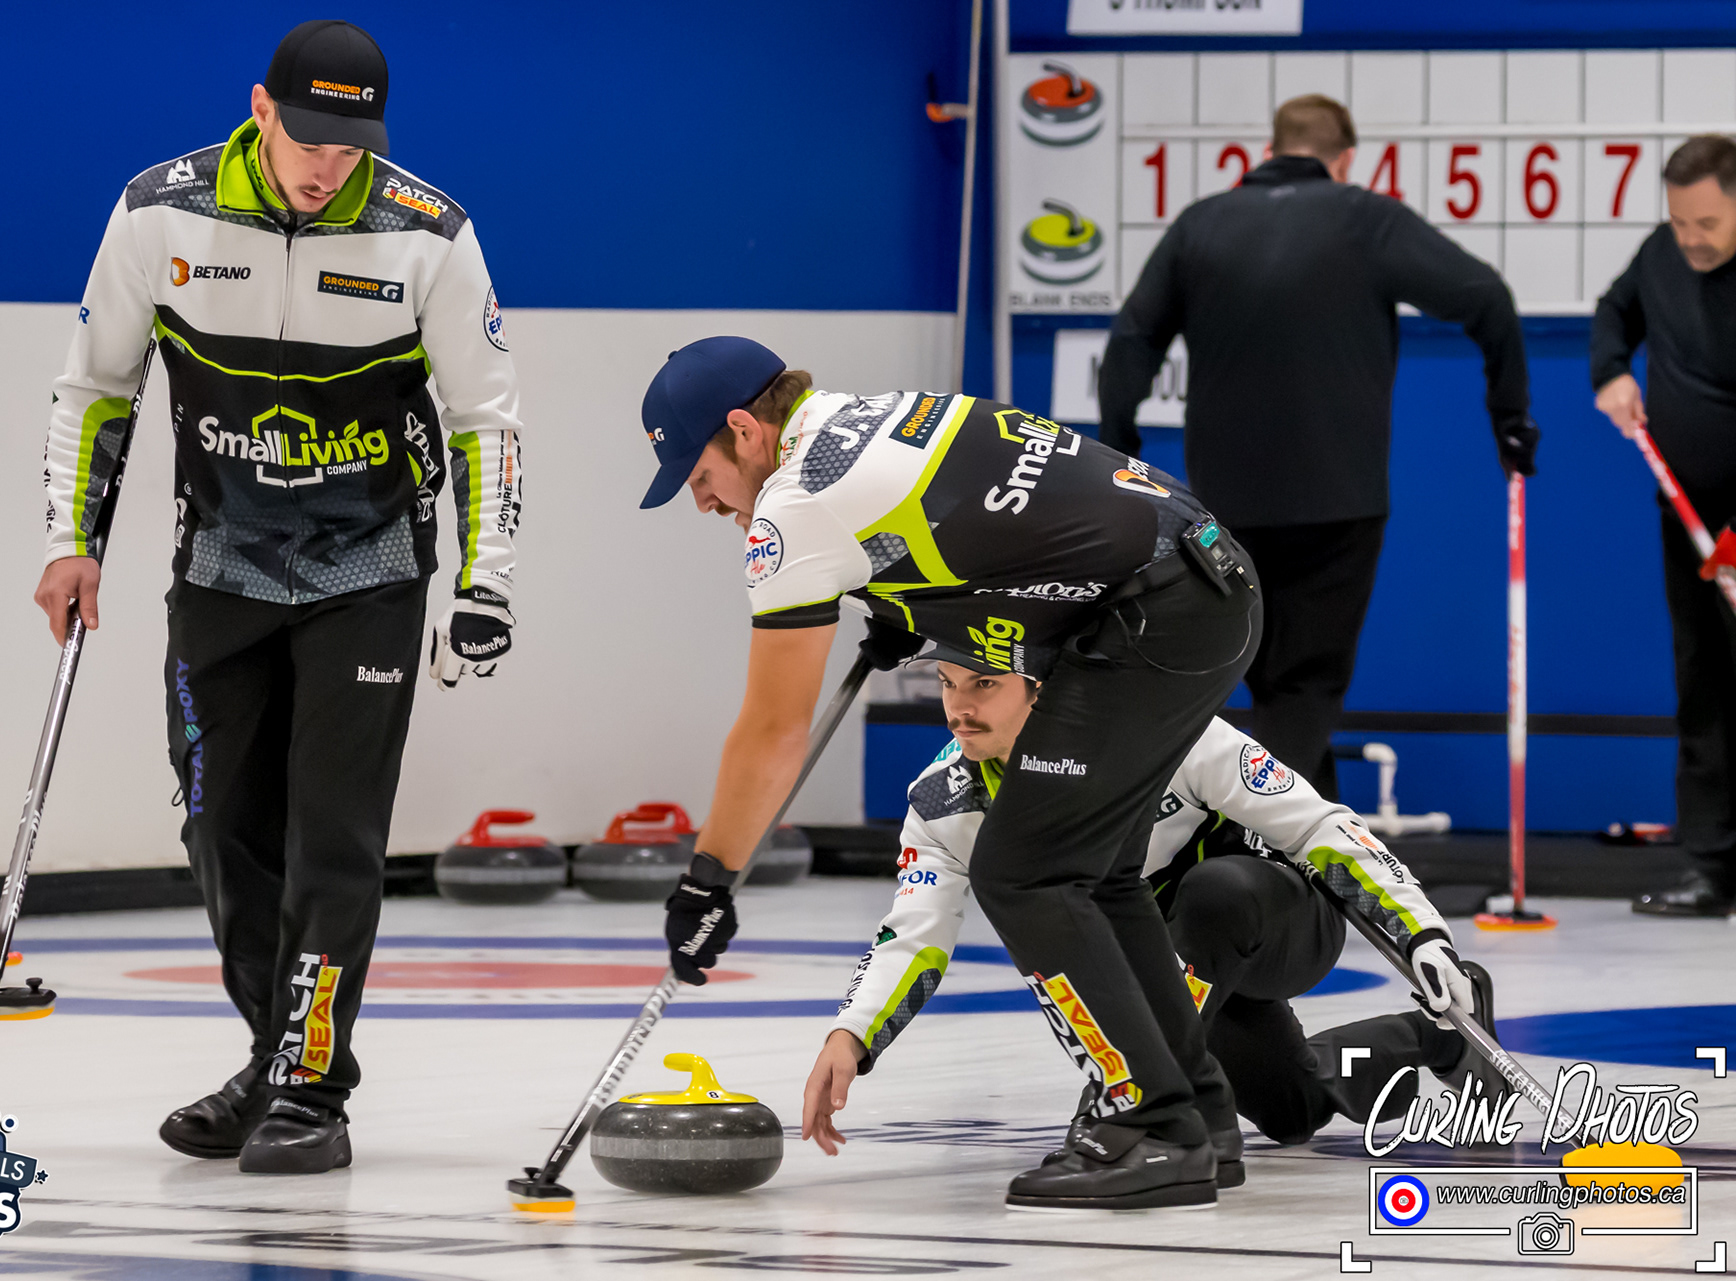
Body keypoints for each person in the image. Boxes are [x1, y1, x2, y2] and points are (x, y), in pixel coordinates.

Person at [34, 20, 523, 1173]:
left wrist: (485, 580)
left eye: (351, 148)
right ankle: (274, 1058)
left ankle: (311, 1089)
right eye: (309, 140)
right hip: (220, 569)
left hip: (370, 573)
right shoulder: (159, 212)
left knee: (333, 838)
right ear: (261, 109)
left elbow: (485, 418)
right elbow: (96, 387)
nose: (326, 167)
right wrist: (69, 542)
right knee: (220, 828)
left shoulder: (428, 233)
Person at [638, 335, 1262, 1211]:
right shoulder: (871, 413)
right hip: (1203, 583)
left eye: (700, 475)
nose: (702, 501)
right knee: (1096, 871)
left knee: (1025, 869)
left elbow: (773, 730)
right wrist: (912, 602)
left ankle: (1154, 1127)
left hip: (1154, 614)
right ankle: (1196, 1113)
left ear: (744, 430)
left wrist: (708, 879)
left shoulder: (795, 503)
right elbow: (998, 518)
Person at [799, 660, 1498, 1168]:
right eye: (947, 683)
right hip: (1165, 962)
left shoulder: (1161, 730)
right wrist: (852, 1033)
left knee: (1216, 894)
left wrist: (1423, 935)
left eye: (984, 684)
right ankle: (1432, 1039)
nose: (959, 707)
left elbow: (1318, 825)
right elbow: (911, 931)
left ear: (1041, 686)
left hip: (1277, 915)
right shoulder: (941, 802)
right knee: (1295, 1109)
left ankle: (1129, 1102)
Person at [1098, 93, 1536, 799]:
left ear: (1268, 151)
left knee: (1266, 673)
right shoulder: (1367, 218)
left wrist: (1119, 447)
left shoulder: (1200, 224)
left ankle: (1305, 824)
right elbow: (1485, 295)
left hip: (1224, 504)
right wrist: (1509, 417)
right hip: (1340, 497)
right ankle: (1269, 835)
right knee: (1306, 681)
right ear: (1346, 158)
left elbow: (1131, 339)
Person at [1594, 135, 1736, 918]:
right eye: (1680, 221)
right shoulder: (1662, 252)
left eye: (1706, 223)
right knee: (1702, 684)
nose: (1690, 239)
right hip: (1687, 517)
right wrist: (1612, 369)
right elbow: (1615, 311)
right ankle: (1713, 868)